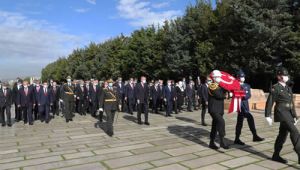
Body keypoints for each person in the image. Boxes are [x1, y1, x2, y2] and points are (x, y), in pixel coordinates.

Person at [265, 67, 300, 164]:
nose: (286, 77)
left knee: (282, 135)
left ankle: (276, 155)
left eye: (286, 75)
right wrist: (267, 115)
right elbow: (270, 101)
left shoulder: (288, 88)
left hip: (288, 114)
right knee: (295, 132)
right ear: (279, 76)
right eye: (284, 75)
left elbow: (291, 103)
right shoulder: (275, 87)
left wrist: (294, 115)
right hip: (281, 113)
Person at [234, 70, 264, 145]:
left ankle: (238, 138)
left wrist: (243, 95)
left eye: (243, 76)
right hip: (240, 105)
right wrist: (243, 95)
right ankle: (254, 135)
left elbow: (248, 95)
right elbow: (237, 95)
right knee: (248, 118)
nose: (242, 78)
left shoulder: (247, 85)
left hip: (246, 105)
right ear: (237, 77)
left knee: (241, 121)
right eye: (241, 76)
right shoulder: (235, 85)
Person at [208, 71, 229, 149]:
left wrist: (228, 90)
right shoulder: (212, 86)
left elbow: (226, 91)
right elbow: (219, 95)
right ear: (213, 78)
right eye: (217, 77)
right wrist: (226, 95)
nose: (219, 78)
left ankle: (211, 142)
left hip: (220, 109)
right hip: (213, 109)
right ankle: (222, 140)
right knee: (221, 121)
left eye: (219, 77)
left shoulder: (221, 85)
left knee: (215, 126)